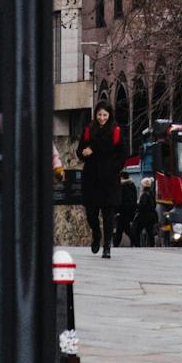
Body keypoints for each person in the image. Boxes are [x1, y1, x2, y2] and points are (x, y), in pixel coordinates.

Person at [76, 102, 124, 260]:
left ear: (109, 115)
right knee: (91, 214)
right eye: (99, 115)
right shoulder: (89, 130)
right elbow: (80, 151)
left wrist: (114, 169)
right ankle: (96, 233)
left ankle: (107, 246)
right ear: (95, 115)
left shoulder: (116, 131)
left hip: (109, 179)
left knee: (108, 215)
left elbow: (122, 154)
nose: (102, 118)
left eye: (105, 115)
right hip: (92, 178)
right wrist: (85, 153)